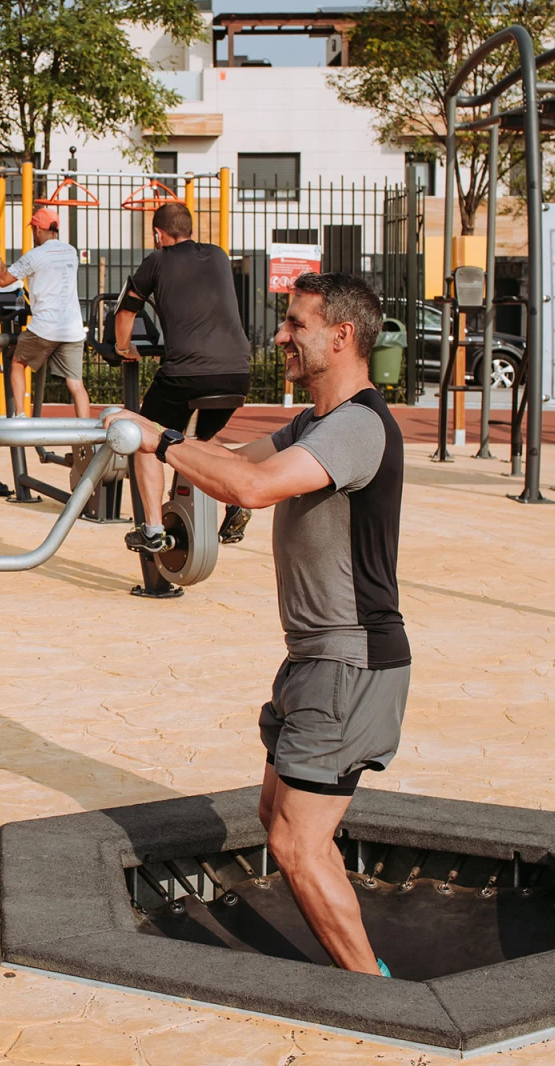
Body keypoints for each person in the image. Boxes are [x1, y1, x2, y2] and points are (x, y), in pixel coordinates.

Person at [105, 272, 407, 977]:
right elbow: (236, 462)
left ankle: (378, 994)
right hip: (315, 659)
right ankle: (371, 979)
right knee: (282, 825)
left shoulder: (360, 426)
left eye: (295, 324)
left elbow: (251, 490)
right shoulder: (315, 424)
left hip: (351, 663)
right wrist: (155, 441)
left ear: (342, 335)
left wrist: (160, 439)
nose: (280, 337)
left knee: (299, 845)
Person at [112, 201, 251, 553]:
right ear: (190, 229)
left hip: (188, 373)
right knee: (198, 443)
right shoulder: (220, 255)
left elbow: (126, 314)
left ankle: (152, 531)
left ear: (158, 234)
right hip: (237, 374)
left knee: (147, 437)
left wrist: (122, 347)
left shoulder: (156, 261)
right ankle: (236, 499)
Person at [0, 207, 91, 419]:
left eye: (33, 229)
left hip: (45, 327)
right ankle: (87, 438)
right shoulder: (71, 252)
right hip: (72, 329)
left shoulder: (34, 256)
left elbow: (4, 279)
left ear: (37, 230)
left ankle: (20, 417)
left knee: (17, 362)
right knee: (75, 383)